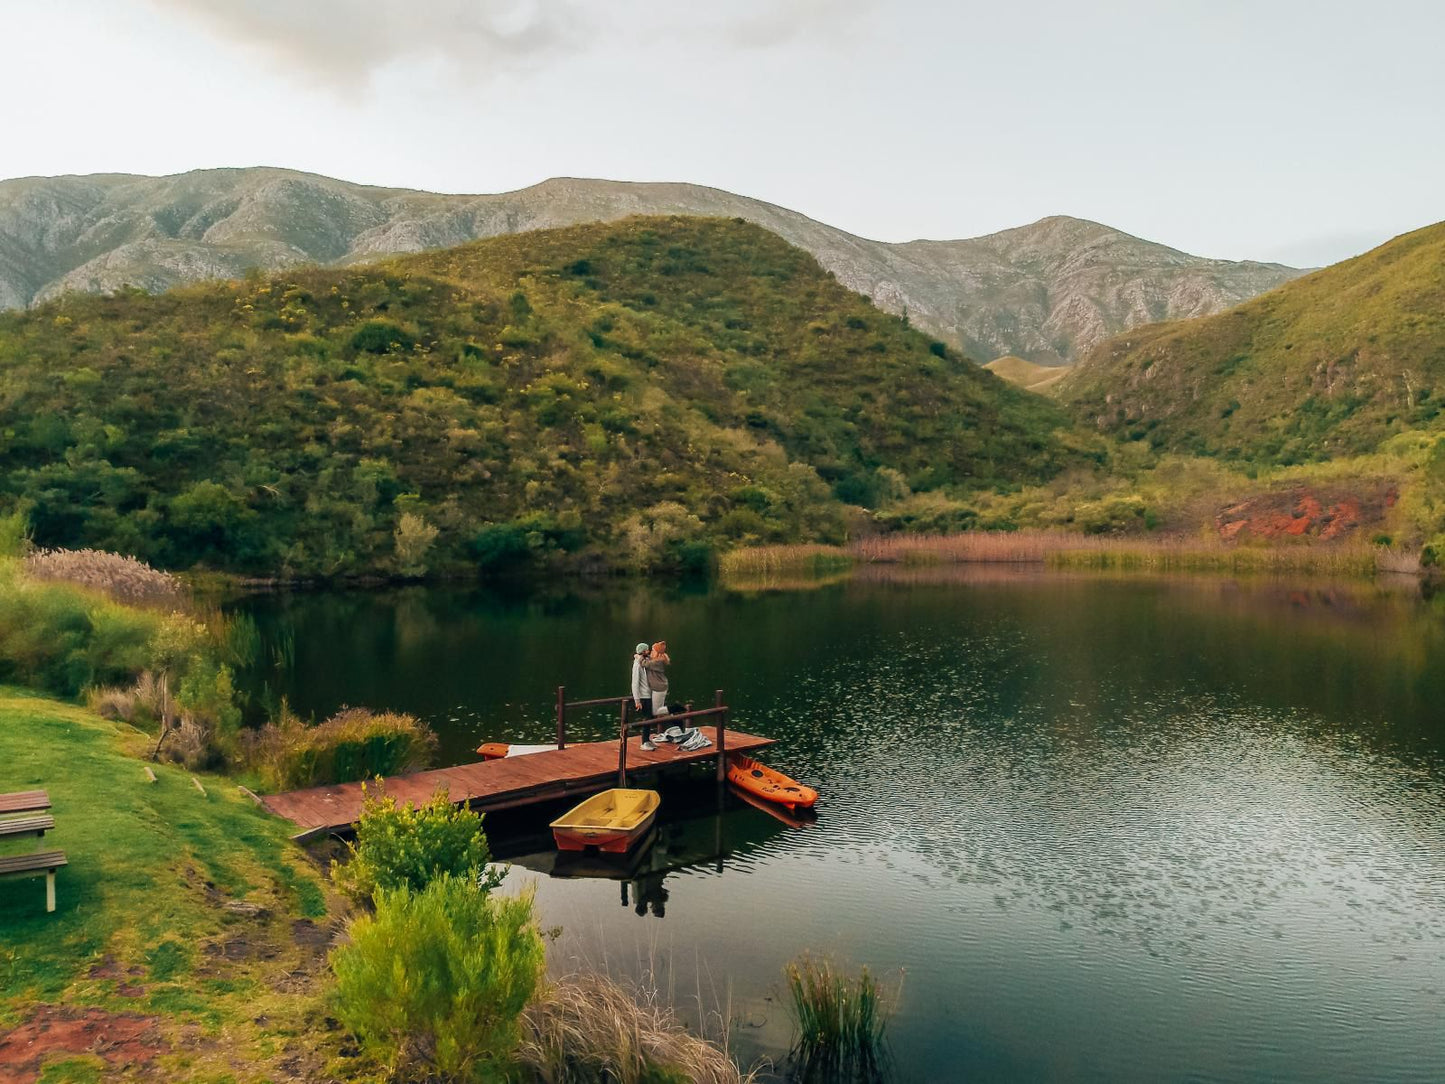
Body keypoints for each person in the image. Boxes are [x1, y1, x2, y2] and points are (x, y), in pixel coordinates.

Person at [630, 642, 656, 751]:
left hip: (649, 695)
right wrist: (637, 700)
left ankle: (647, 740)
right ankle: (644, 742)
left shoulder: (645, 663)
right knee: (647, 718)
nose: (648, 651)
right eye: (647, 650)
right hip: (643, 696)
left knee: (650, 717)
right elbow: (634, 683)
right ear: (643, 651)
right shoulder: (637, 665)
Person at [642, 640, 671, 723]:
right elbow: (648, 660)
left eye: (653, 650)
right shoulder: (655, 659)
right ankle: (668, 719)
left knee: (656, 712)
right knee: (658, 711)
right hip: (658, 687)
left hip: (659, 688)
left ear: (657, 652)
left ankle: (673, 709)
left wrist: (638, 657)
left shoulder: (658, 662)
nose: (651, 651)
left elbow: (645, 664)